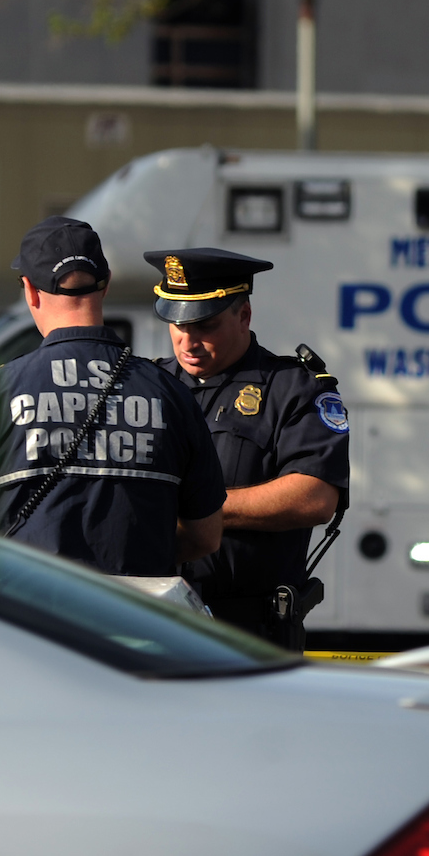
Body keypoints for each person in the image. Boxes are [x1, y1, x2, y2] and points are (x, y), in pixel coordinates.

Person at [0, 218, 225, 579]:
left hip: (26, 622)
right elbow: (206, 537)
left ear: (30, 291)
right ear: (106, 284)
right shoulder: (171, 393)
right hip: (130, 624)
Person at [152, 247, 351, 649]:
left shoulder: (291, 389)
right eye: (176, 323)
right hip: (156, 622)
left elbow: (315, 497)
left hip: (249, 631)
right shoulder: (147, 385)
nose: (187, 340)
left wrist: (202, 510)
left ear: (243, 315)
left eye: (204, 324)